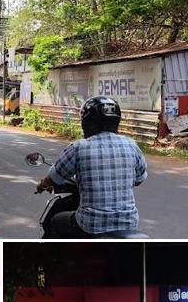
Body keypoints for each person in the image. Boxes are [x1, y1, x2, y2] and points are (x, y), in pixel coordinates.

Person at [35, 96, 147, 238]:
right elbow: (139, 179)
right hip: (128, 223)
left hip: (90, 224)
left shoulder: (79, 147)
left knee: (54, 221)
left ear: (87, 122)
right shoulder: (131, 145)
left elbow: (54, 177)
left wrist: (42, 185)